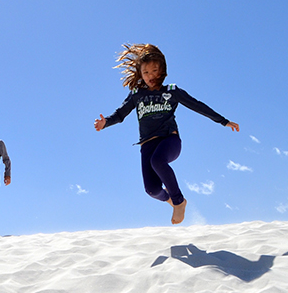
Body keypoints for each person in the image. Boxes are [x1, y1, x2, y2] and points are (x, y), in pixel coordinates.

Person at [94, 44, 239, 225]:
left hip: (170, 140)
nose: (150, 76)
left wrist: (223, 121)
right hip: (147, 145)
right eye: (145, 72)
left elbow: (198, 105)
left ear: (162, 70)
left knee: (158, 161)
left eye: (155, 71)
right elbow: (120, 114)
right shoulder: (136, 95)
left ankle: (178, 201)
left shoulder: (171, 91)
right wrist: (105, 122)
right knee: (152, 190)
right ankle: (171, 199)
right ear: (140, 74)